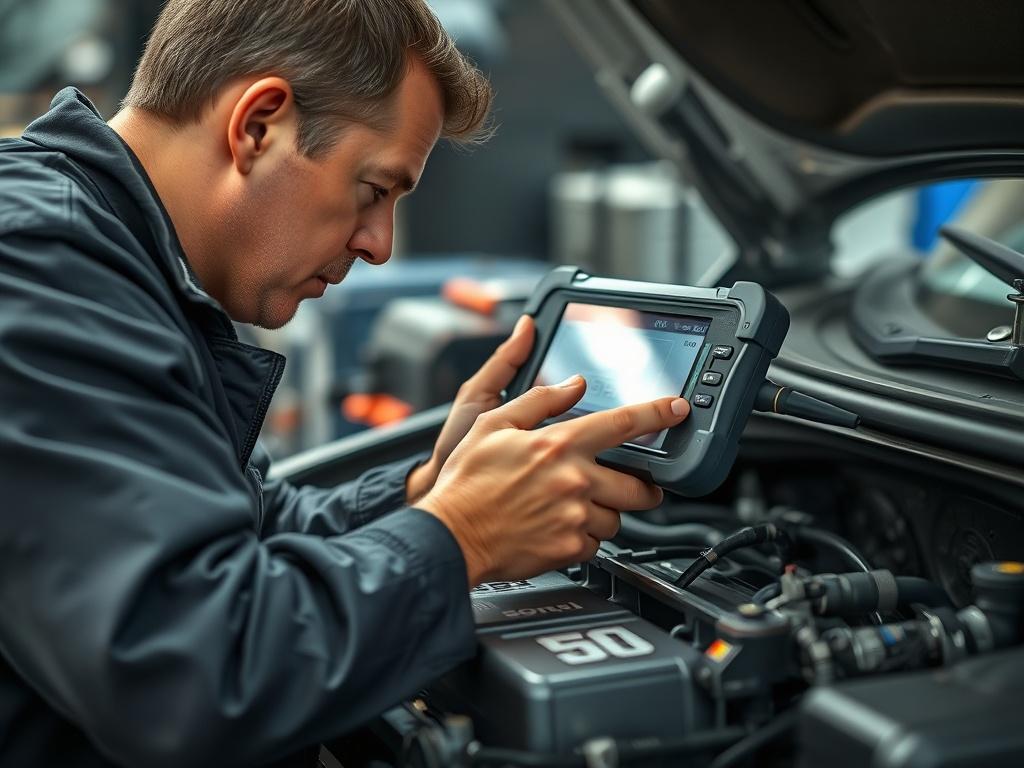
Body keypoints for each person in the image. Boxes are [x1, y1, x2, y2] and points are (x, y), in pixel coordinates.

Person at [0, 1, 691, 765]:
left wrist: (431, 490)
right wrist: (463, 536)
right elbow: (187, 672)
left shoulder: (113, 261)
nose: (381, 246)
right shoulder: (38, 269)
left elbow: (249, 532)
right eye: (373, 189)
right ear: (258, 124)